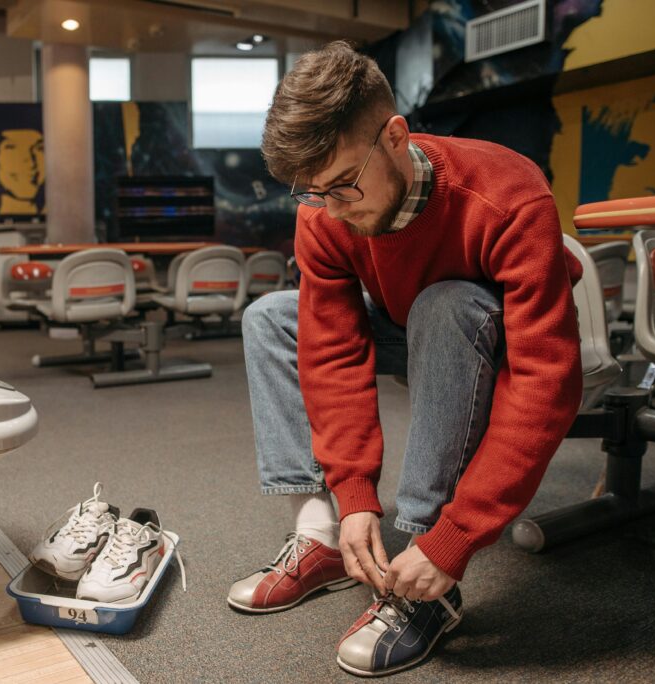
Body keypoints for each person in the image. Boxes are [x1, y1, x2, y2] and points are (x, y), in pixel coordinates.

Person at [229, 42, 583, 677]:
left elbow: (546, 381)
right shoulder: (325, 214)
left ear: (395, 137)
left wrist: (456, 538)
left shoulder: (509, 193)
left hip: (484, 333)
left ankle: (425, 569)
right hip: (404, 318)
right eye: (312, 194)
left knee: (444, 304)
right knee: (273, 316)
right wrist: (355, 494)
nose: (331, 210)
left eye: (343, 186)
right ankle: (320, 538)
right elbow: (330, 351)